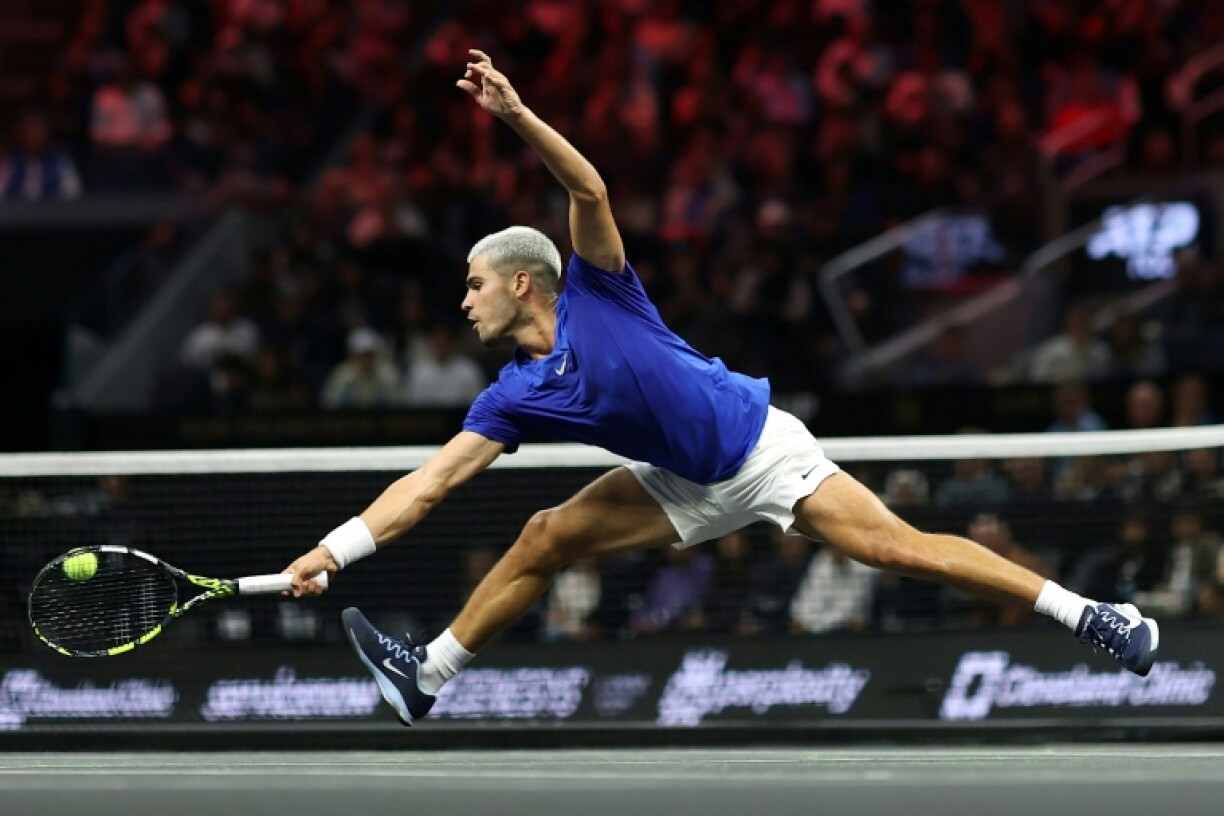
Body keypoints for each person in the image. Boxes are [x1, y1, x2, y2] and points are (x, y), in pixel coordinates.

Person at [284, 50, 1160, 727]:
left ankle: (1095, 617)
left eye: (473, 283)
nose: (461, 299)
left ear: (522, 282)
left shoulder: (598, 283)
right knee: (544, 535)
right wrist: (335, 549)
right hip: (680, 483)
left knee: (899, 548)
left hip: (760, 450)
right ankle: (426, 678)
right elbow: (429, 485)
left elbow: (586, 185)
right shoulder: (513, 394)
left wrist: (515, 116)